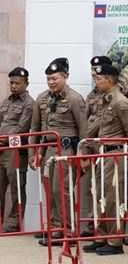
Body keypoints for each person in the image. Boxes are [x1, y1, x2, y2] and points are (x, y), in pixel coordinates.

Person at [30, 57, 87, 246]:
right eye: (48, 79)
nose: (51, 82)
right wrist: (35, 153)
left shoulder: (74, 99)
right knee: (50, 191)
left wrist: (83, 155)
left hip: (66, 151)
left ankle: (68, 231)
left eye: (55, 78)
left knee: (62, 190)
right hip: (48, 151)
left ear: (65, 76)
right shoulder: (42, 99)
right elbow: (36, 129)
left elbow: (84, 130)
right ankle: (55, 228)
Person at [81, 64, 127, 256]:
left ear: (109, 80)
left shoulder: (120, 102)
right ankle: (101, 237)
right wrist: (85, 147)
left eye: (99, 79)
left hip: (115, 155)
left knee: (113, 198)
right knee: (100, 196)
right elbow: (95, 127)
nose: (96, 82)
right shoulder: (105, 100)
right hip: (102, 154)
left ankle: (115, 241)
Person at [0, 67, 34, 234]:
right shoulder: (6, 101)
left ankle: (13, 223)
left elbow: (22, 126)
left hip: (15, 151)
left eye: (17, 83)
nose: (13, 86)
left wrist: (5, 138)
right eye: (11, 83)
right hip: (0, 149)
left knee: (16, 187)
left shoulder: (29, 103)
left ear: (26, 83)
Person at [80, 55, 113, 237]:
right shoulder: (91, 96)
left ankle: (117, 229)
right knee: (90, 188)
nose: (94, 73)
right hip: (93, 148)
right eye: (93, 70)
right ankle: (91, 226)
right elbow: (86, 124)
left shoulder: (118, 95)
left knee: (113, 191)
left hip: (111, 148)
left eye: (98, 70)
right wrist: (84, 151)